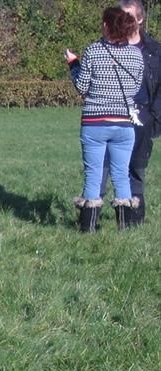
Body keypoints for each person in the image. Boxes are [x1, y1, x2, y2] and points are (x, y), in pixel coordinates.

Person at [67, 6, 145, 231]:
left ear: (107, 25)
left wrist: (73, 64)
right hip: (124, 123)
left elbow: (82, 86)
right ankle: (125, 227)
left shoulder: (93, 51)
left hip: (95, 123)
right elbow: (136, 88)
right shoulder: (136, 55)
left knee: (94, 175)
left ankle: (88, 228)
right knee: (121, 175)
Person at [119, 0, 161, 224]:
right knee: (108, 169)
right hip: (114, 116)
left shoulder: (155, 51)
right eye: (121, 15)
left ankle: (135, 219)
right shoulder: (111, 46)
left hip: (143, 117)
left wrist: (153, 117)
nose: (124, 21)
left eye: (129, 16)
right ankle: (92, 222)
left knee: (136, 168)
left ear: (140, 18)